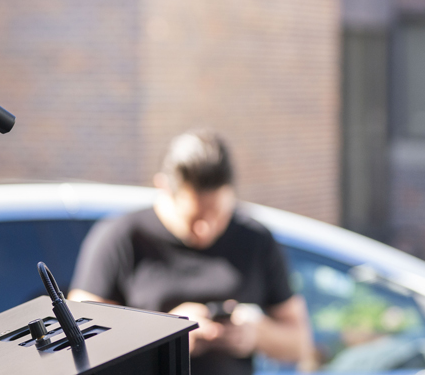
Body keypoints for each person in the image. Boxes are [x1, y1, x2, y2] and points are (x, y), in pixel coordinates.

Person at [68, 130, 314, 375]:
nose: (205, 229)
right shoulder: (120, 239)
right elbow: (76, 346)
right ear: (163, 188)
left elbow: (299, 343)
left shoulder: (256, 240)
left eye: (217, 214)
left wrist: (257, 334)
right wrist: (164, 336)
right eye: (193, 218)